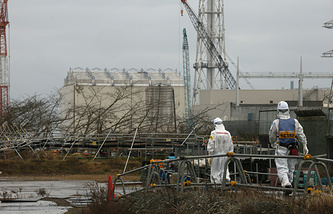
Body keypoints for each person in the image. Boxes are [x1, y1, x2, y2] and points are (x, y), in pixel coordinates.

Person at [269, 101, 309, 188]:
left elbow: (272, 136)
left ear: (278, 111)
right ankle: (290, 185)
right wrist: (305, 145)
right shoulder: (295, 122)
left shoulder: (276, 122)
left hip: (281, 148)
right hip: (293, 149)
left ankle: (286, 184)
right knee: (291, 169)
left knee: (282, 168)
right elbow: (301, 135)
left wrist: (272, 143)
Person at [207, 117, 233, 184]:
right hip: (225, 155)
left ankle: (216, 185)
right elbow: (231, 145)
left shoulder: (213, 133)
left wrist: (210, 154)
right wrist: (230, 154)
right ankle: (226, 182)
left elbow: (211, 144)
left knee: (215, 171)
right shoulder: (228, 133)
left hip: (216, 155)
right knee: (224, 169)